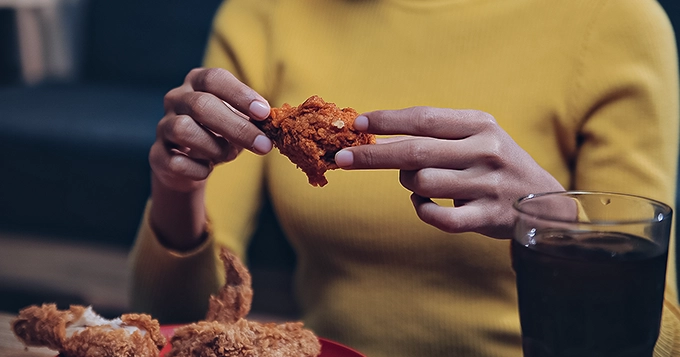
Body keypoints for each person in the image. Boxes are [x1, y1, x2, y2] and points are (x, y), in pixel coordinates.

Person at [129, 0, 680, 356]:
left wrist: (555, 224)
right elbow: (178, 323)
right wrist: (177, 188)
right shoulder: (264, 13)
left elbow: (662, 337)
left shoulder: (617, 22)